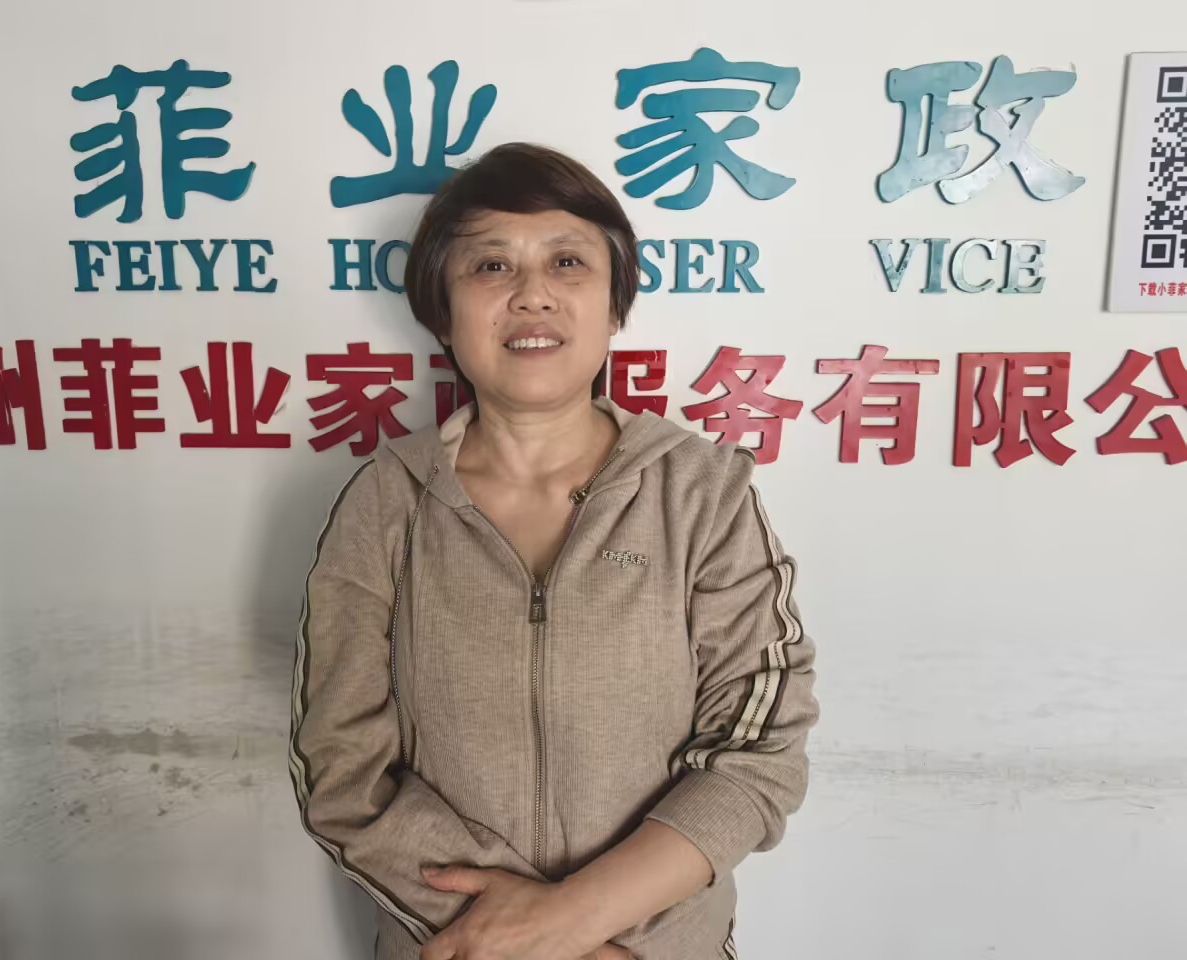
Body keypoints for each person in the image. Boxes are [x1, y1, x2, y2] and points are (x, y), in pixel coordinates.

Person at [289, 142, 819, 960]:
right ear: (441, 310)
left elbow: (759, 747)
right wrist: (518, 938)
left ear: (614, 306)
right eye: (490, 265)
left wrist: (576, 925)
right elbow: (340, 767)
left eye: (568, 262)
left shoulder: (702, 492)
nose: (532, 293)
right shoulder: (386, 501)